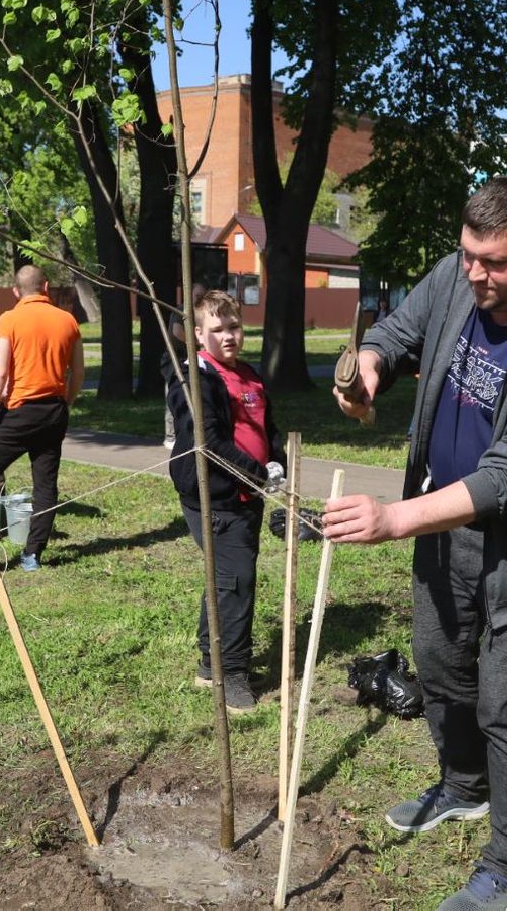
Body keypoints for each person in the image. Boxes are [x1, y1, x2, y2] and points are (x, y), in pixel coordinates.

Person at [323, 175, 507, 911]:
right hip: (445, 518)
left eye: (496, 262)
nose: (476, 273)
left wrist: (392, 518)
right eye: (468, 254)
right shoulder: (459, 276)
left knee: (506, 697)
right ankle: (463, 785)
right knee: (440, 662)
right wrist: (369, 372)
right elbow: (396, 331)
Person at [163, 289, 286, 712]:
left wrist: (277, 460)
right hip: (213, 497)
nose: (228, 336)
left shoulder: (249, 374)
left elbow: (268, 425)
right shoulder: (194, 379)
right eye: (217, 330)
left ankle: (208, 664)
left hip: (249, 493)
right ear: (198, 334)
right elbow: (207, 441)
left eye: (234, 327)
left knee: (225, 576)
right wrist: (256, 472)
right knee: (236, 580)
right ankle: (231, 674)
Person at [0, 265, 83, 571]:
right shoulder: (68, 320)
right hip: (54, 410)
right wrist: (64, 404)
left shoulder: (10, 319)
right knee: (45, 483)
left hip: (20, 411)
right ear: (46, 287)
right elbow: (78, 374)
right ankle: (33, 554)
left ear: (16, 292)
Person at [163, 283, 208, 450]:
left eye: (203, 296)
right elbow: (177, 332)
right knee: (174, 396)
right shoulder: (180, 311)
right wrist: (197, 342)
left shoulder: (202, 314)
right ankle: (170, 436)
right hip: (175, 361)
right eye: (197, 296)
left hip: (194, 360)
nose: (200, 299)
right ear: (189, 296)